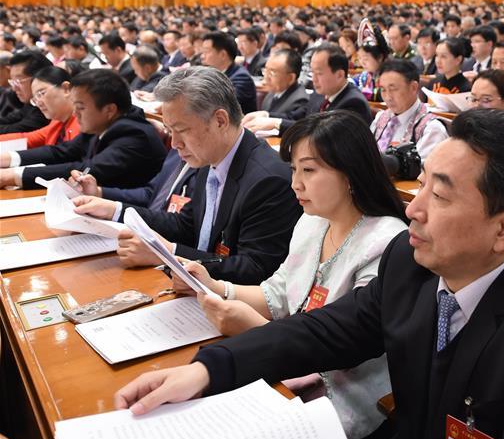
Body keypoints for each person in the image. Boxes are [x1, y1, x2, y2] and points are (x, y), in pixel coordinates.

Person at [113, 109, 504, 439]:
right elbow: (324, 330)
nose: (413, 211)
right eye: (422, 189)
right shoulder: (410, 263)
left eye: (439, 196)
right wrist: (207, 369)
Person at [175, 111, 407, 439]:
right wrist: (216, 287)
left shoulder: (385, 243)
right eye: (294, 169)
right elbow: (280, 292)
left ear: (352, 173)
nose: (295, 183)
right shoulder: (312, 222)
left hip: (344, 392)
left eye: (309, 170)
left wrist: (257, 329)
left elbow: (348, 342)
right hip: (288, 365)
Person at [72, 66, 300, 283]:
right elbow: (187, 225)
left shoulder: (268, 180)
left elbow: (256, 270)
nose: (174, 144)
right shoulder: (210, 157)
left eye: (181, 131)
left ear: (220, 120)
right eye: (169, 131)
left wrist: (169, 254)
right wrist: (114, 210)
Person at [0, 69, 166, 189]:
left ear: (109, 110)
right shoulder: (102, 125)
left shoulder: (134, 135)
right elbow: (61, 151)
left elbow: (87, 169)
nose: (75, 113)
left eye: (80, 107)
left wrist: (11, 176)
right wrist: (6, 159)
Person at [371, 60, 448, 159]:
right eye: (383, 90)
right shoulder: (381, 117)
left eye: (393, 89)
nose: (388, 97)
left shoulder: (431, 128)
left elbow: (424, 170)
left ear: (413, 87)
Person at [0, 66, 79, 149]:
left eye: (41, 94)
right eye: (35, 99)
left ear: (66, 89)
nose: (38, 103)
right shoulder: (57, 122)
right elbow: (28, 138)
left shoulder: (82, 123)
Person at [200, 31, 257, 115]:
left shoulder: (241, 78)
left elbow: (222, 105)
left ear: (223, 55)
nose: (202, 56)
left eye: (206, 51)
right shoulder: (212, 73)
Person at [0, 51, 52, 134]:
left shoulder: (46, 108)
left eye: (18, 81)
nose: (14, 88)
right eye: (12, 81)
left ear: (39, 78)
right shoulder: (31, 103)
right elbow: (11, 119)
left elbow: (15, 130)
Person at [258, 50, 308, 119]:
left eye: (272, 72)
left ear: (291, 78)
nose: (266, 77)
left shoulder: (299, 101)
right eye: (266, 70)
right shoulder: (274, 90)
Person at [354, 33, 390, 102]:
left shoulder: (391, 74)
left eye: (365, 59)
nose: (362, 63)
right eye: (359, 58)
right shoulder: (367, 75)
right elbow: (353, 81)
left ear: (380, 57)